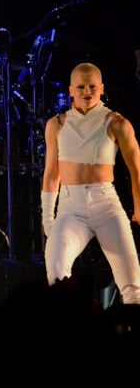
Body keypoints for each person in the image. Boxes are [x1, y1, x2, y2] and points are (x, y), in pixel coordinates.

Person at [41, 62, 140, 303]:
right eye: (81, 87)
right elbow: (52, 173)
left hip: (106, 205)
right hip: (70, 208)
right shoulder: (57, 124)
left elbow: (136, 170)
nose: (87, 92)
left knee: (132, 284)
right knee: (55, 270)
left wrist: (139, 209)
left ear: (102, 88)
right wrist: (47, 217)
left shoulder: (117, 123)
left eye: (93, 87)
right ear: (71, 90)